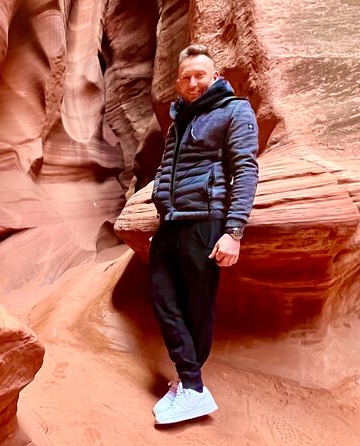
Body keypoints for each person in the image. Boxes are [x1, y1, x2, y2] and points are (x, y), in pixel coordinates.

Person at [149, 43, 259, 424]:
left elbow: (245, 170)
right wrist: (162, 212)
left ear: (215, 76)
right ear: (178, 83)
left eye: (200, 75)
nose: (193, 83)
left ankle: (192, 387)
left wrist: (234, 231)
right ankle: (189, 381)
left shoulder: (234, 110)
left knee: (197, 305)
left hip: (205, 220)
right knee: (163, 296)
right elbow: (168, 170)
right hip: (171, 222)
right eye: (186, 77)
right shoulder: (179, 118)